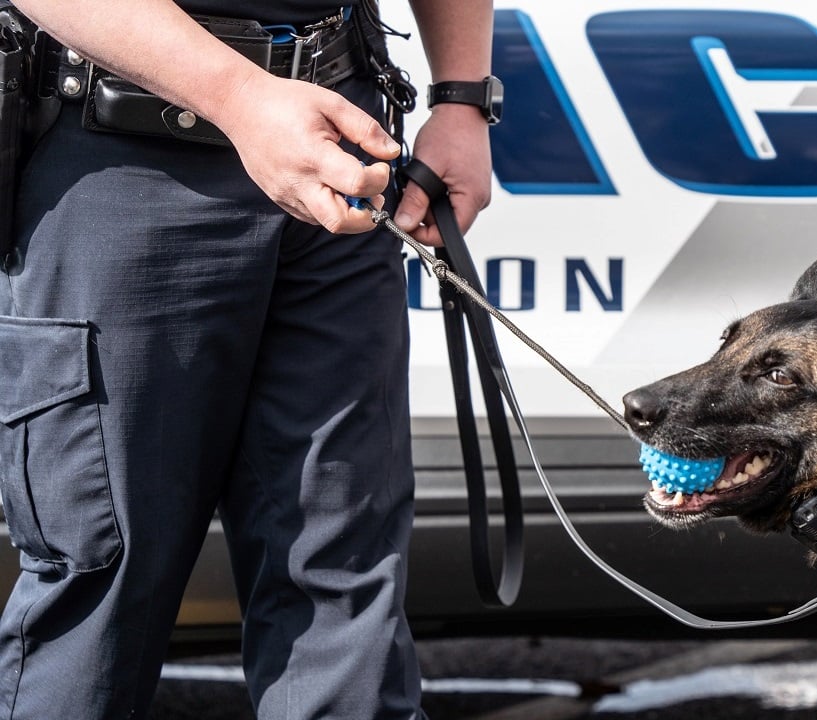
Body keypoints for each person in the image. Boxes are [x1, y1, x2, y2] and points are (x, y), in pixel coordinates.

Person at [0, 0, 494, 717]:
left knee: (345, 582)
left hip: (339, 140)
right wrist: (240, 97)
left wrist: (463, 96)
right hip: (119, 145)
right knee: (99, 599)